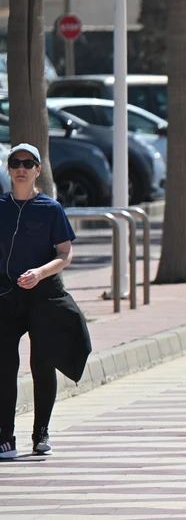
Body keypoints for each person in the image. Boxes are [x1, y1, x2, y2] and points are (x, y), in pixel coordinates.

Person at [0, 144, 90, 459]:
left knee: (42, 361)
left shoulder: (51, 208)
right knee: (4, 366)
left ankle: (41, 434)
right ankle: (5, 437)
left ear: (38, 170)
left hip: (42, 293)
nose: (21, 168)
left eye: (28, 163)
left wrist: (39, 272)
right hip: (6, 297)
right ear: (9, 169)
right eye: (15, 163)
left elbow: (64, 253)